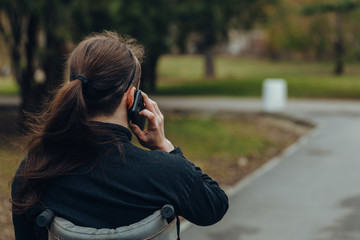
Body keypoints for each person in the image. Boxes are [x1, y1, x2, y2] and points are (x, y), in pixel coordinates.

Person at [11, 31, 229, 239]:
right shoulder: (167, 173)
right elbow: (214, 206)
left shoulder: (34, 171)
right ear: (132, 98)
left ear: (72, 89)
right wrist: (165, 146)